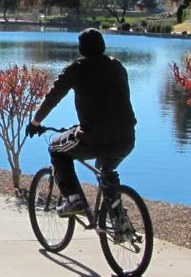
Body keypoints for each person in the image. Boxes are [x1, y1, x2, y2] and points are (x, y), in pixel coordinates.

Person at [27, 28, 136, 216]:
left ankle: (74, 200)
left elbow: (53, 98)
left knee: (55, 148)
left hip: (93, 138)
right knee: (105, 170)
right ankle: (118, 217)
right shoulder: (117, 65)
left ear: (81, 48)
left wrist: (35, 122)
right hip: (126, 138)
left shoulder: (77, 68)